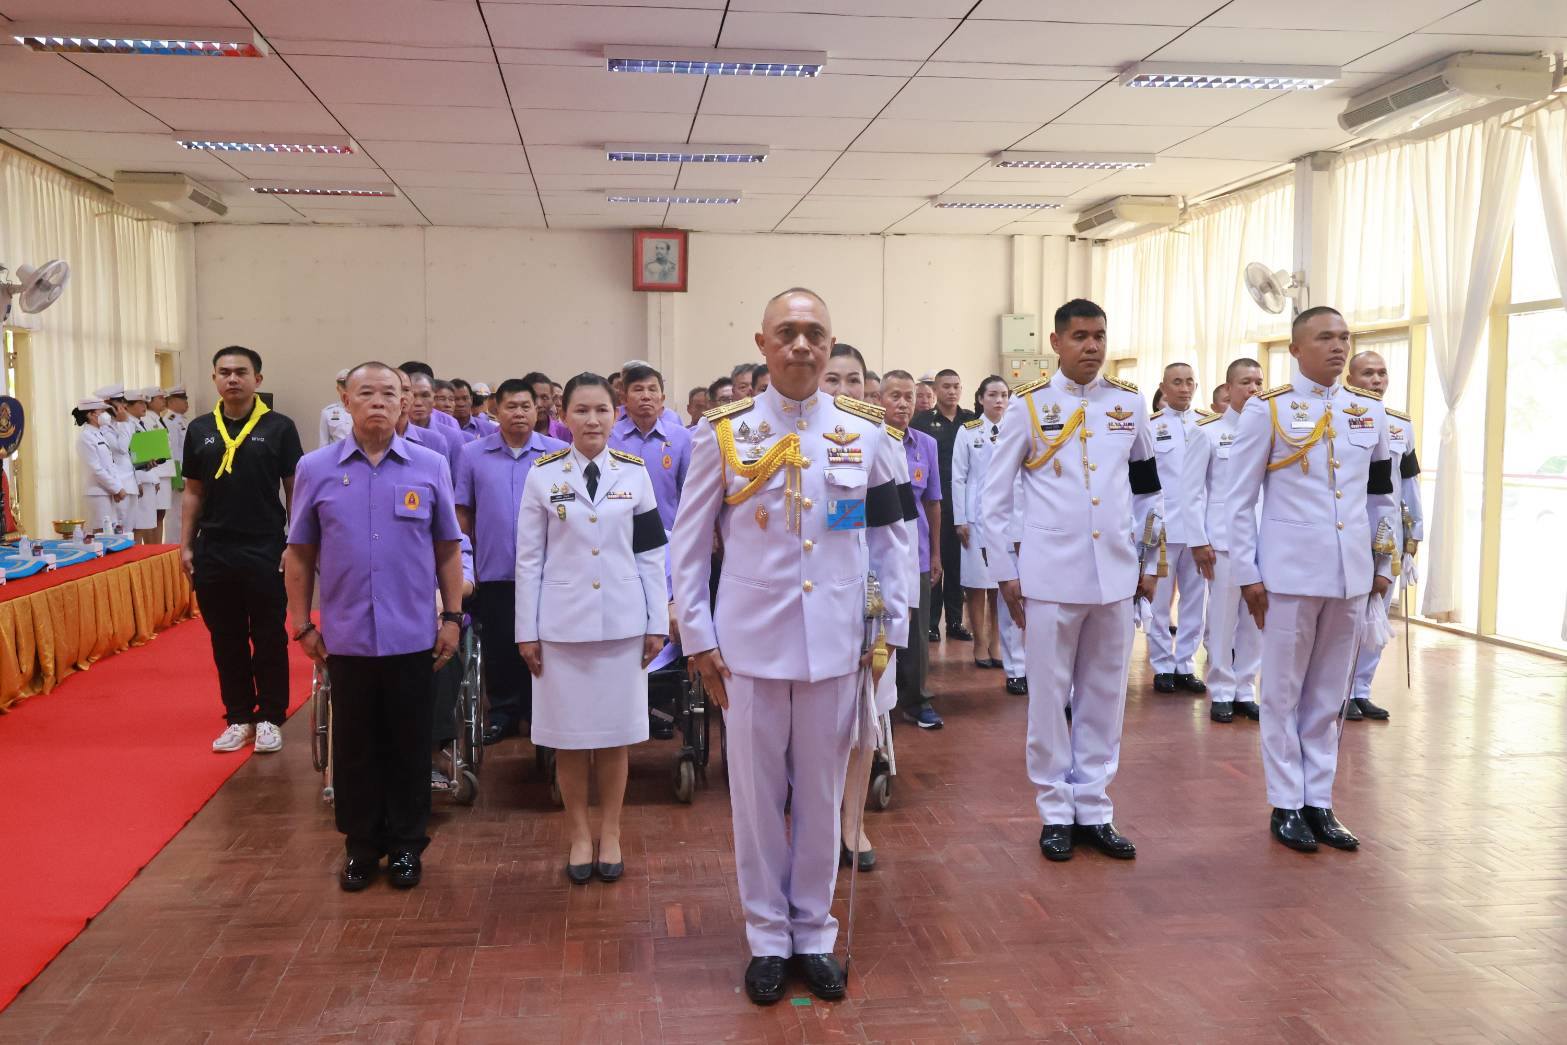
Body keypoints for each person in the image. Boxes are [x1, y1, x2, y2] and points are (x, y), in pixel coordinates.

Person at [671, 288, 911, 1006]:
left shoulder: (869, 435)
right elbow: (686, 547)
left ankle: (813, 930)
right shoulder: (722, 433)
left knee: (821, 794)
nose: (801, 345)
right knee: (753, 798)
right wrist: (697, 637)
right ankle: (766, 936)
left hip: (837, 643)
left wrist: (890, 629)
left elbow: (892, 540)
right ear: (762, 343)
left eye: (814, 333)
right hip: (746, 646)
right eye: (787, 333)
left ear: (831, 343)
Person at [983, 299, 1162, 863]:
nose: (1092, 346)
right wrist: (1006, 571)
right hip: (1050, 577)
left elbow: (1149, 490)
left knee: (1106, 697)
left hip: (1114, 575)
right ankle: (1055, 810)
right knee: (1048, 696)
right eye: (1080, 336)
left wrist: (1148, 562)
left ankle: (1095, 806)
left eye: (1100, 335)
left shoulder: (1129, 405)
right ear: (1056, 343)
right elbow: (991, 500)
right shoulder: (1029, 407)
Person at [286, 361, 464, 891]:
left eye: (391, 393)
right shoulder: (315, 469)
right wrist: (301, 624)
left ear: (405, 401)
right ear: (346, 400)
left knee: (410, 745)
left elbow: (448, 549)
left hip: (414, 636)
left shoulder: (430, 465)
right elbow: (299, 553)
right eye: (367, 393)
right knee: (356, 748)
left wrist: (451, 617)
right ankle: (361, 847)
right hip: (347, 637)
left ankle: (408, 845)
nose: (379, 402)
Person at [1225, 306, 1397, 854]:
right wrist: (1247, 574)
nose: (1339, 346)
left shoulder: (1367, 411)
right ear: (1297, 349)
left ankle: (1320, 800)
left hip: (1350, 573)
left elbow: (1380, 495)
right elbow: (1237, 501)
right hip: (1288, 574)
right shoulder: (1266, 410)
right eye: (1326, 337)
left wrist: (1383, 562)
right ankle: (1286, 802)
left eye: (1345, 337)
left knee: (1329, 694)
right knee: (1281, 691)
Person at [516, 373, 669, 883]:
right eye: (581, 411)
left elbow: (650, 553)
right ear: (563, 415)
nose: (593, 420)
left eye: (602, 410)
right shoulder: (542, 476)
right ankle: (579, 833)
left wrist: (656, 620)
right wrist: (526, 631)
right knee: (569, 737)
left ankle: (611, 832)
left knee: (614, 737)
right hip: (561, 628)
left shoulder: (635, 473)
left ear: (616, 412)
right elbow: (528, 561)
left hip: (623, 625)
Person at [180, 346, 303, 756]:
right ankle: (238, 717)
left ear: (258, 380)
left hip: (265, 546)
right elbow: (193, 492)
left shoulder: (280, 428)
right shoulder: (199, 430)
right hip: (214, 548)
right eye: (224, 372)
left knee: (268, 634)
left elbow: (294, 488)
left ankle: (270, 715)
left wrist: (295, 544)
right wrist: (185, 545)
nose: (232, 379)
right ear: (214, 378)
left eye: (241, 372)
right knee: (225, 637)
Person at [455, 379, 567, 745]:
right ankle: (503, 710)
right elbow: (463, 512)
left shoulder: (559, 453)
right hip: (496, 568)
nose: (519, 413)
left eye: (525, 406)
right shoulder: (472, 454)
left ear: (539, 410)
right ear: (495, 410)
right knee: (502, 643)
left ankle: (539, 712)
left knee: (545, 642)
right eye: (510, 406)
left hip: (550, 571)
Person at [1186, 358, 1266, 724]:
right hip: (1222, 538)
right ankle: (1220, 687)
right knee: (1221, 618)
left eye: (1258, 382)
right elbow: (1192, 492)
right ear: (1229, 389)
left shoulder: (1272, 429)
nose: (1253, 389)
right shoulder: (1208, 432)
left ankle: (1244, 688)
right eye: (1246, 382)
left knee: (1257, 617)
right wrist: (1198, 539)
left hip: (1264, 535)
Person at [1344, 349, 1422, 722]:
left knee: (1378, 611)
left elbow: (1409, 482)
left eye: (1382, 373)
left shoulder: (1399, 425)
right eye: (1367, 374)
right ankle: (1339, 690)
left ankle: (1362, 689)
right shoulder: (1338, 418)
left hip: (1387, 528)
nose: (1376, 380)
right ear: (1350, 379)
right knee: (1346, 615)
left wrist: (1415, 531)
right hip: (1348, 526)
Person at [880, 369, 944, 730]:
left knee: (916, 631)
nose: (903, 404)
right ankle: (876, 698)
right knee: (877, 625)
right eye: (895, 396)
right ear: (880, 400)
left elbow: (933, 502)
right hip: (878, 553)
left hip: (915, 553)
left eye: (909, 396)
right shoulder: (868, 441)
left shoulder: (926, 445)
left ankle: (916, 699)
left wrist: (935, 554)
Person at [1147, 362, 1210, 695]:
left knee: (1194, 600)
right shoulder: (1151, 425)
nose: (1184, 388)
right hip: (1163, 527)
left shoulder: (1207, 425)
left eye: (1189, 382)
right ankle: (1161, 665)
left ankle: (1185, 664)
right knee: (1159, 601)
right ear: (1164, 387)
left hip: (1198, 529)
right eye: (1176, 382)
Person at [953, 376, 1021, 686]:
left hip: (1009, 518)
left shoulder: (1016, 428)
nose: (999, 400)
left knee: (1002, 584)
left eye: (1004, 395)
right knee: (977, 585)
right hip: (976, 517)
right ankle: (980, 641)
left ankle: (998, 643)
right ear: (980, 399)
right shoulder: (969, 432)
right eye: (992, 394)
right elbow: (959, 477)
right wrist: (960, 519)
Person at [912, 368, 976, 642]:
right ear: (935, 390)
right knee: (934, 564)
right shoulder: (922, 421)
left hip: (963, 505)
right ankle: (930, 623)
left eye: (956, 386)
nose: (951, 391)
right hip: (933, 504)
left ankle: (955, 622)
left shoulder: (971, 421)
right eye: (946, 386)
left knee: (957, 567)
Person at [74, 397, 129, 531]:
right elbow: (96, 469)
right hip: (97, 493)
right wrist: (116, 488)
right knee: (101, 533)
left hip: (107, 492)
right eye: (102, 411)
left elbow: (110, 465)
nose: (106, 415)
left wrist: (116, 487)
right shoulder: (85, 437)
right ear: (90, 415)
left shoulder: (99, 434)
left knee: (112, 533)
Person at [126, 389, 171, 543]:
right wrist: (138, 481)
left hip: (148, 476)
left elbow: (147, 454)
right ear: (127, 406)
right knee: (138, 526)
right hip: (139, 479)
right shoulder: (128, 424)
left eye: (145, 403)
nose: (143, 406)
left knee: (149, 522)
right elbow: (130, 456)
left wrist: (154, 478)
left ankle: (152, 555)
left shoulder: (139, 423)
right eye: (139, 403)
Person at [94, 385, 140, 533]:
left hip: (130, 483)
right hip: (119, 485)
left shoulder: (119, 424)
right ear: (109, 404)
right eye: (120, 401)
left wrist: (138, 480)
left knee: (130, 530)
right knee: (120, 532)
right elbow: (122, 448)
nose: (124, 405)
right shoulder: (104, 427)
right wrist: (124, 423)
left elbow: (131, 453)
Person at [407, 372, 467, 474]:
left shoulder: (452, 437)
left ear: (434, 399)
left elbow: (459, 482)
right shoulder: (394, 433)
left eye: (425, 396)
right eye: (413, 396)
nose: (418, 402)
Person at [164, 385, 191, 545]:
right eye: (183, 399)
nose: (186, 403)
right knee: (176, 513)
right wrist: (178, 477)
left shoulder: (181, 421)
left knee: (184, 513)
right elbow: (173, 451)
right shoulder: (170, 421)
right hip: (178, 473)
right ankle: (173, 545)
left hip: (186, 473)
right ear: (172, 401)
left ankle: (182, 543)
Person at [523, 371, 572, 443]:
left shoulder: (565, 433)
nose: (539, 404)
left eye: (544, 398)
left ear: (552, 400)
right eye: (533, 397)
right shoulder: (510, 432)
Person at [319, 368, 352, 448]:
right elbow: (324, 444)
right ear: (338, 388)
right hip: (337, 458)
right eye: (343, 387)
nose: (346, 391)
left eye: (349, 386)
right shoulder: (328, 412)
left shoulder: (362, 409)